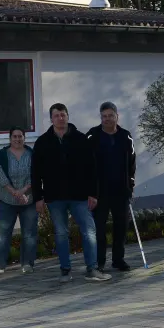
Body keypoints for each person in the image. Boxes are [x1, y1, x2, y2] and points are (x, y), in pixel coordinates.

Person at [31, 103, 111, 283]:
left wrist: (93, 193)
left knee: (89, 231)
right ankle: (65, 270)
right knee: (61, 233)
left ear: (68, 116)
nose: (60, 118)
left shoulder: (81, 139)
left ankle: (92, 269)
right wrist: (38, 197)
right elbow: (35, 173)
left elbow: (92, 169)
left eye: (63, 115)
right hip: (54, 197)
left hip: (80, 196)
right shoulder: (42, 142)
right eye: (56, 115)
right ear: (51, 119)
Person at [86, 102, 137, 273]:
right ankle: (99, 261)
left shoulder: (126, 137)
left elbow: (132, 163)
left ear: (117, 116)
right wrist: (89, 191)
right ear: (101, 118)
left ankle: (118, 259)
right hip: (99, 193)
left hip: (121, 191)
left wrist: (130, 185)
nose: (107, 119)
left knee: (121, 227)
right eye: (104, 116)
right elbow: (84, 164)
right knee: (99, 228)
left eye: (110, 115)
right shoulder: (92, 136)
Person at [0, 127, 38, 274]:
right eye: (14, 136)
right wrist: (14, 192)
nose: (17, 139)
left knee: (29, 233)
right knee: (3, 233)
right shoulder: (2, 155)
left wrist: (23, 191)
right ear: (10, 139)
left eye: (20, 136)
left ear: (24, 137)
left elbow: (35, 174)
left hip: (28, 201)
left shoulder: (32, 155)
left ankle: (27, 264)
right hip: (7, 200)